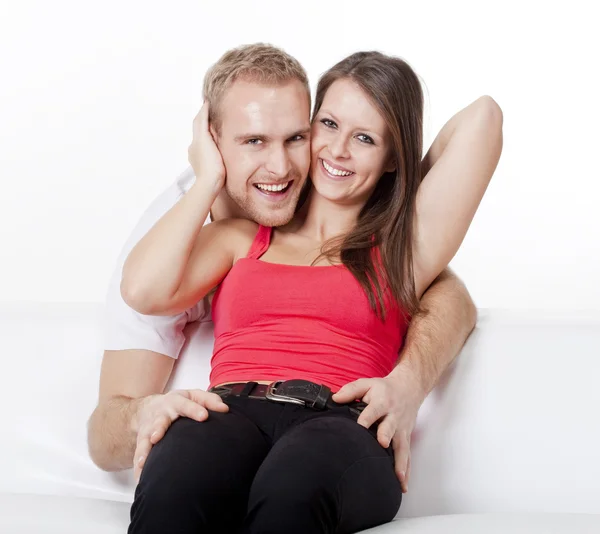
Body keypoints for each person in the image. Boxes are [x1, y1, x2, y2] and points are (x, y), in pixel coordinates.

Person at [87, 44, 497, 532]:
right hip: (229, 408)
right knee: (176, 478)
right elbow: (140, 291)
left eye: (365, 137)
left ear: (392, 157)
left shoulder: (403, 251)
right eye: (328, 125)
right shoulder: (243, 235)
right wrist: (208, 174)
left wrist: (404, 174)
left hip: (341, 423)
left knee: (293, 489)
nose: (337, 150)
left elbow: (483, 118)